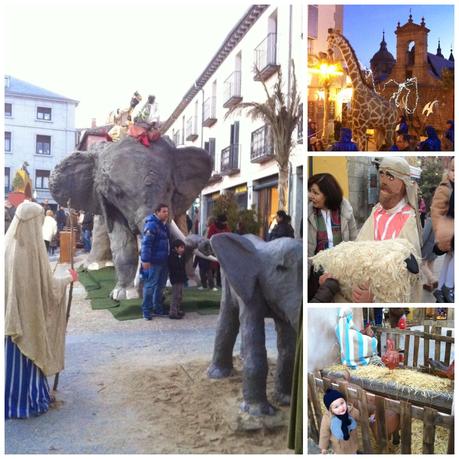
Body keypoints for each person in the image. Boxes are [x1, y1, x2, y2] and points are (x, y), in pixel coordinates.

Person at [5, 201, 78, 419]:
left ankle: (10, 401)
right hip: (26, 322)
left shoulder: (8, 246)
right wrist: (67, 279)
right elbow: (47, 289)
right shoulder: (28, 254)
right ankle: (26, 402)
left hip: (11, 323)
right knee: (26, 359)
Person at [353, 156, 422, 302]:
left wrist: (375, 298)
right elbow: (359, 250)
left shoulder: (408, 219)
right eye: (381, 174)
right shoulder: (376, 212)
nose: (383, 181)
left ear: (403, 183)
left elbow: (406, 279)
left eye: (390, 176)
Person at [308, 173, 358, 258]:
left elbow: (354, 241)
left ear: (328, 195)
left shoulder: (345, 211)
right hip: (317, 267)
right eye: (310, 191)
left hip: (341, 265)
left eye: (316, 193)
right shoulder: (309, 214)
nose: (311, 196)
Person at [140, 203, 170, 320]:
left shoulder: (164, 225)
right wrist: (145, 260)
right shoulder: (152, 225)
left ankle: (157, 308)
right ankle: (146, 311)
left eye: (167, 211)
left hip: (163, 261)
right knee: (150, 286)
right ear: (157, 212)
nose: (166, 213)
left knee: (160, 286)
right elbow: (146, 244)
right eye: (163, 211)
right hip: (153, 262)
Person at [430, 157, 454, 302]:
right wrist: (440, 231)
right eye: (452, 170)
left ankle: (440, 289)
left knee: (450, 257)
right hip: (448, 229)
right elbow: (436, 210)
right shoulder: (445, 187)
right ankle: (448, 286)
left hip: (451, 229)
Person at [319, 389, 360, 454]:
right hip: (339, 448)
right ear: (331, 410)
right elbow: (324, 433)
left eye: (342, 403)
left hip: (352, 444)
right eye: (336, 407)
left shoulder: (351, 411)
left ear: (345, 401)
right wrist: (323, 447)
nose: (341, 408)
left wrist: (368, 419)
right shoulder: (327, 418)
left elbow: (360, 416)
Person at [207, 214, 231, 288]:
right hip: (214, 249)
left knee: (221, 266)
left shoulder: (226, 228)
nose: (225, 224)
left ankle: (219, 282)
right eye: (224, 222)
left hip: (223, 250)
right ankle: (210, 282)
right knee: (213, 266)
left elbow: (229, 236)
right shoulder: (213, 227)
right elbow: (209, 238)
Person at [168, 239, 186, 320]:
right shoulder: (172, 257)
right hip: (176, 279)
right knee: (175, 296)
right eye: (181, 247)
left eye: (183, 247)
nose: (183, 249)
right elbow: (175, 267)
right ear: (176, 248)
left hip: (181, 279)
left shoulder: (181, 256)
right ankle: (173, 312)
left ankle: (177, 310)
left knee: (180, 296)